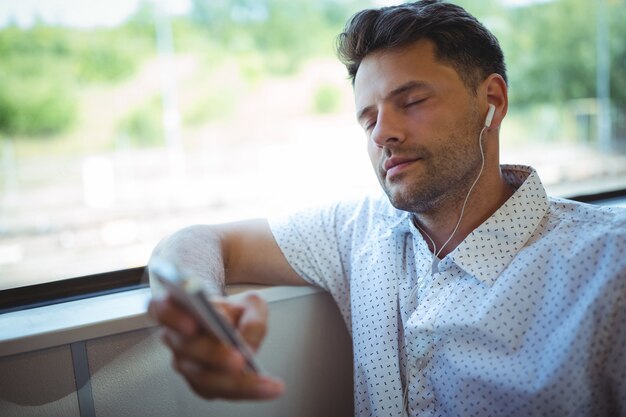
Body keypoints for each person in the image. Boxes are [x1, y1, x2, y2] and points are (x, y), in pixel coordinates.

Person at [148, 1, 626, 416]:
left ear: (492, 101)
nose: (382, 134)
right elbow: (195, 241)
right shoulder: (359, 230)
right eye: (368, 118)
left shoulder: (609, 266)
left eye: (411, 101)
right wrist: (200, 312)